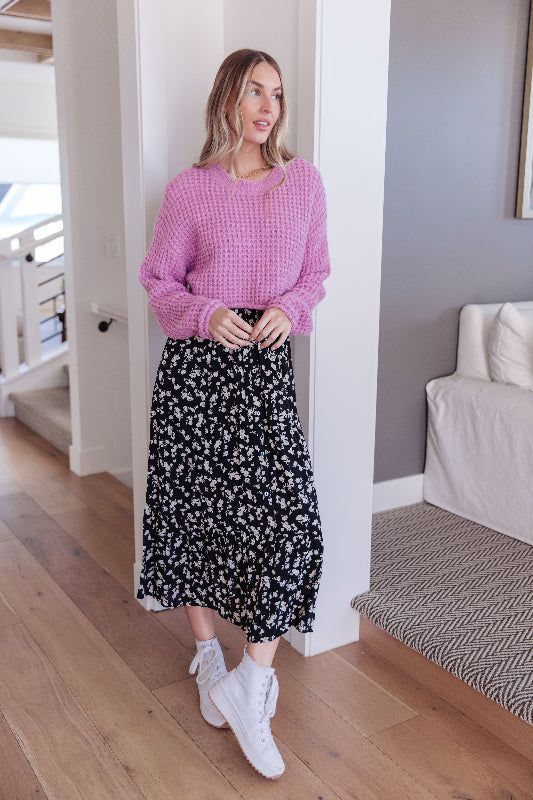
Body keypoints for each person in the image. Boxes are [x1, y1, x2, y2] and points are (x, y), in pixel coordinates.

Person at [136, 48, 330, 780]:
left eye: (277, 94)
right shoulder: (189, 191)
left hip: (263, 376)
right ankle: (208, 658)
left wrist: (288, 306)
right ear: (226, 97)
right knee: (193, 517)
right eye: (254, 91)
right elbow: (159, 280)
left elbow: (315, 272)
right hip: (196, 374)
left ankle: (249, 681)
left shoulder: (302, 180)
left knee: (293, 527)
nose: (267, 107)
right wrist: (205, 312)